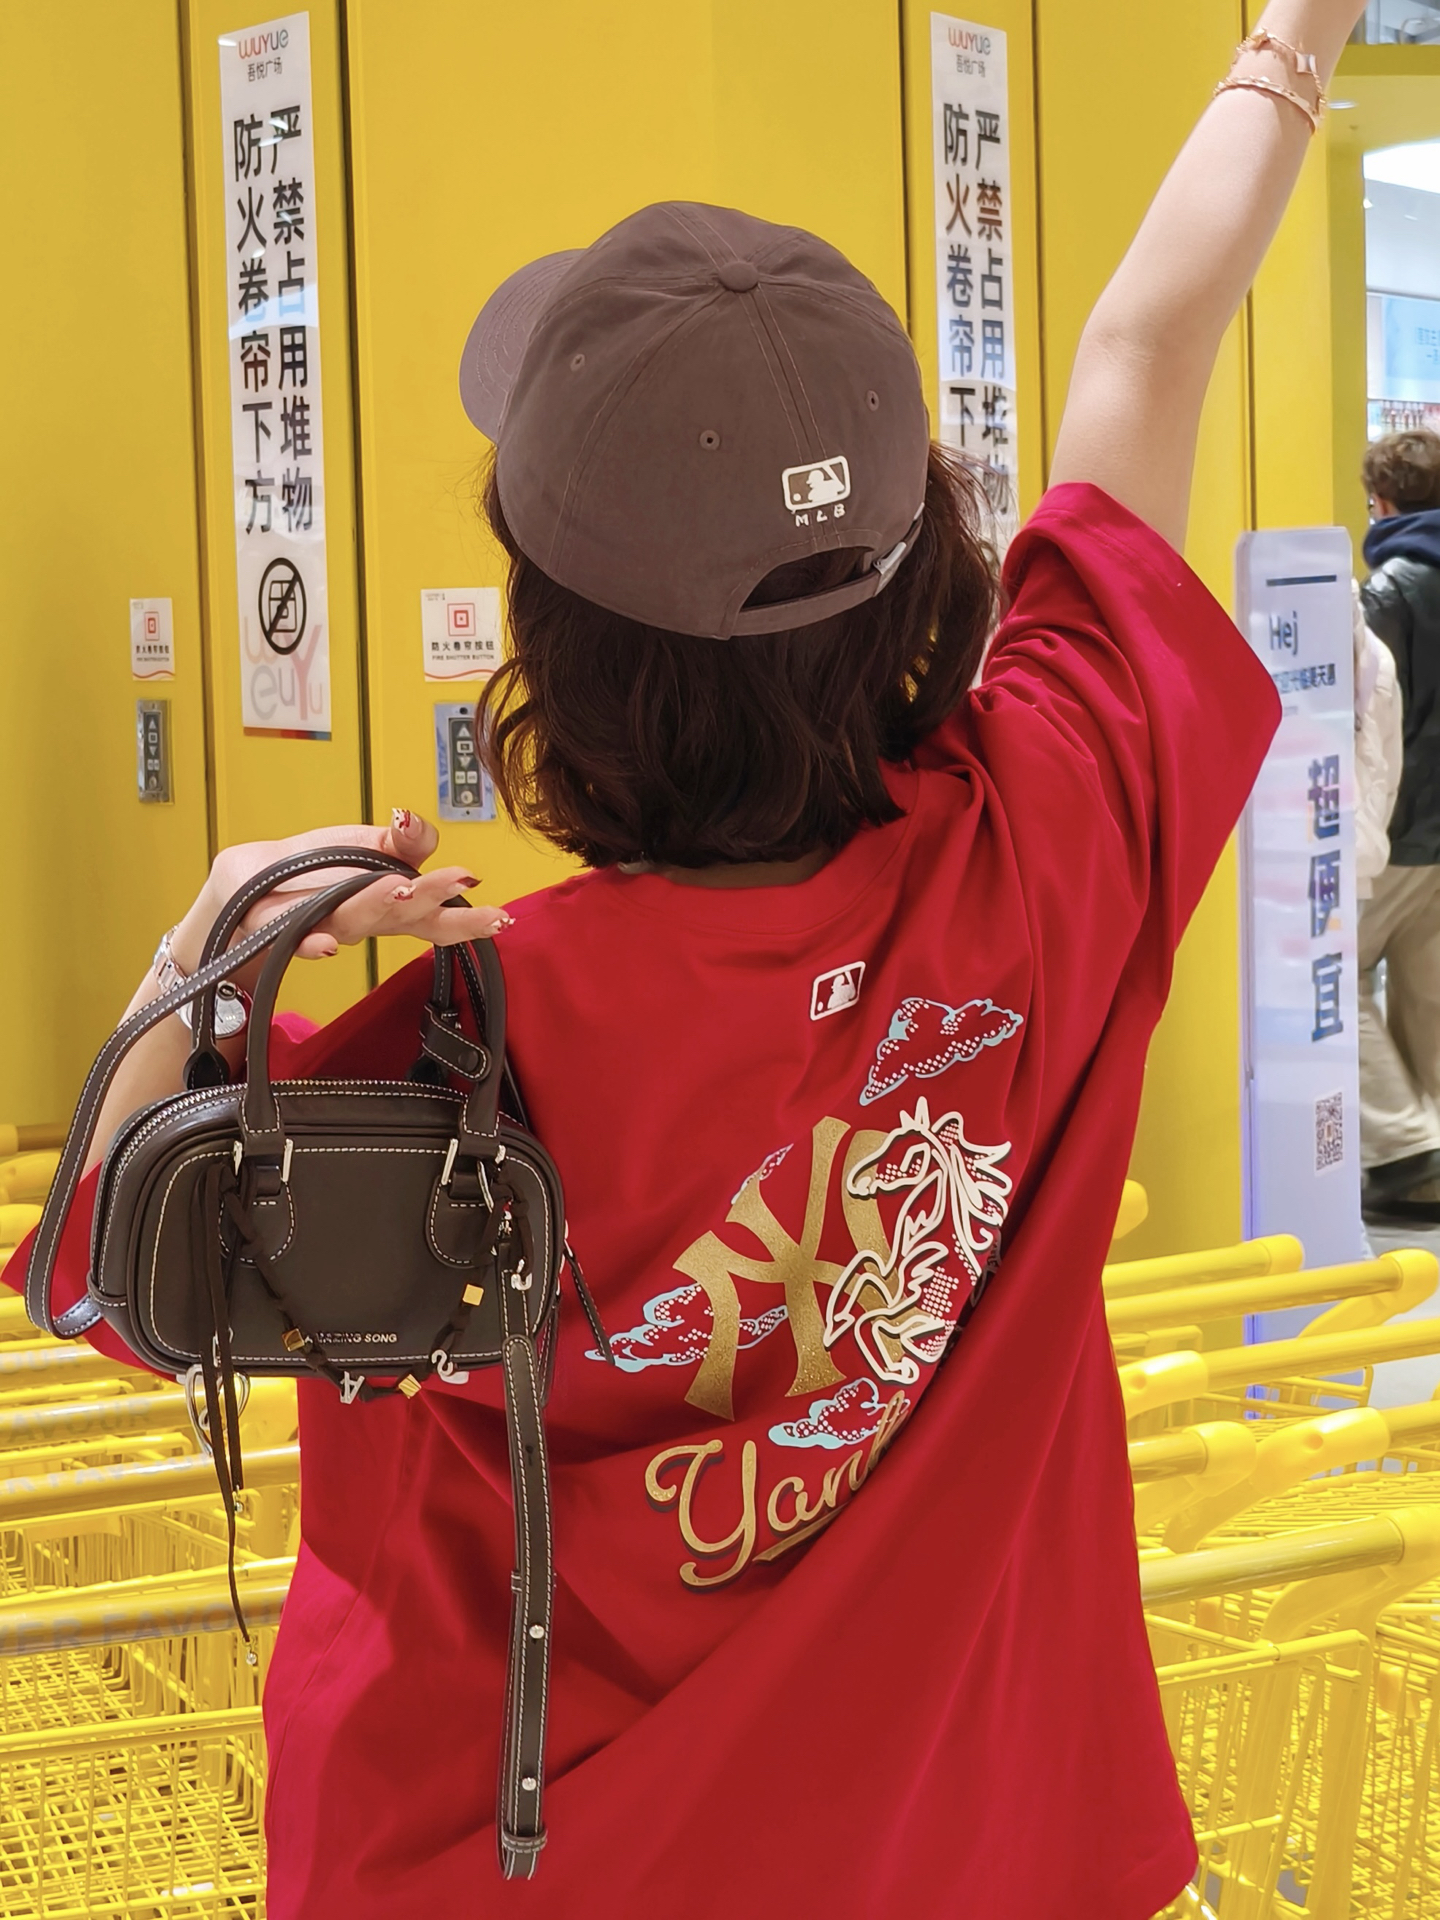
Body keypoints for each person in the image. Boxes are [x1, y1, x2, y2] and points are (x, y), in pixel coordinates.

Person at [15, 4, 1363, 1914]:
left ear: (553, 655)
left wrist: (211, 949)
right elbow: (1150, 345)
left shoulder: (470, 1035)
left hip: (508, 1866)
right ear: (920, 574)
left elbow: (103, 1272)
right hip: (960, 1857)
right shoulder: (1050, 840)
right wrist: (1294, 36)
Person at [1359, 428, 1440, 1216]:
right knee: (1426, 988)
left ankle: (1405, 1147)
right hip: (1438, 833)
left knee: (1332, 979)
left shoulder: (1390, 588)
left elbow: (1375, 720)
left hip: (1402, 826)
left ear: (1381, 502)